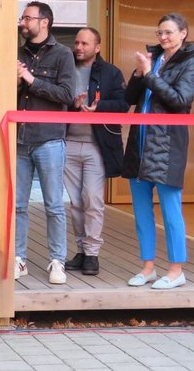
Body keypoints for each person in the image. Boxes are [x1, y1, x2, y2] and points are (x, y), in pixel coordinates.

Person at [123, 13, 194, 290]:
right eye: (159, 33)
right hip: (140, 144)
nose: (163, 38)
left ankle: (175, 270)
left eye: (168, 32)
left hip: (167, 146)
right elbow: (129, 98)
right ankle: (147, 267)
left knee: (171, 211)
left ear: (183, 33)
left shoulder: (191, 65)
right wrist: (138, 73)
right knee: (142, 211)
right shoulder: (152, 59)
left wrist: (150, 75)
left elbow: (180, 101)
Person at [15, 1, 76, 285]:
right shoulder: (16, 52)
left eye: (28, 18)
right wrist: (14, 83)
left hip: (49, 138)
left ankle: (57, 261)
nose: (23, 23)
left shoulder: (63, 54)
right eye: (22, 17)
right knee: (17, 205)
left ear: (45, 22)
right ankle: (19, 258)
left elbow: (66, 94)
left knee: (54, 204)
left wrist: (29, 78)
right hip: (19, 137)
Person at [63, 28, 128, 276]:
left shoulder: (111, 73)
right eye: (77, 42)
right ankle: (81, 251)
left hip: (96, 146)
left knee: (93, 200)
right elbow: (57, 100)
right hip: (68, 142)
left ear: (97, 47)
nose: (79, 47)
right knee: (76, 202)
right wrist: (73, 106)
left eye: (85, 43)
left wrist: (99, 106)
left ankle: (92, 253)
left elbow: (123, 104)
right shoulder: (66, 69)